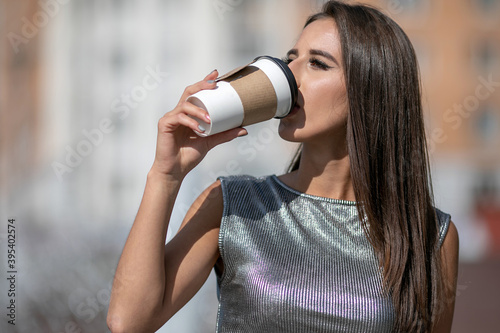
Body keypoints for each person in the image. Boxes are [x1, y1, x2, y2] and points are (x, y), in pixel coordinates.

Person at [107, 1, 459, 332]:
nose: (289, 76)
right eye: (290, 59)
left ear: (370, 89)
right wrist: (165, 176)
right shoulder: (232, 203)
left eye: (317, 64)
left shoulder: (431, 237)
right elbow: (129, 321)